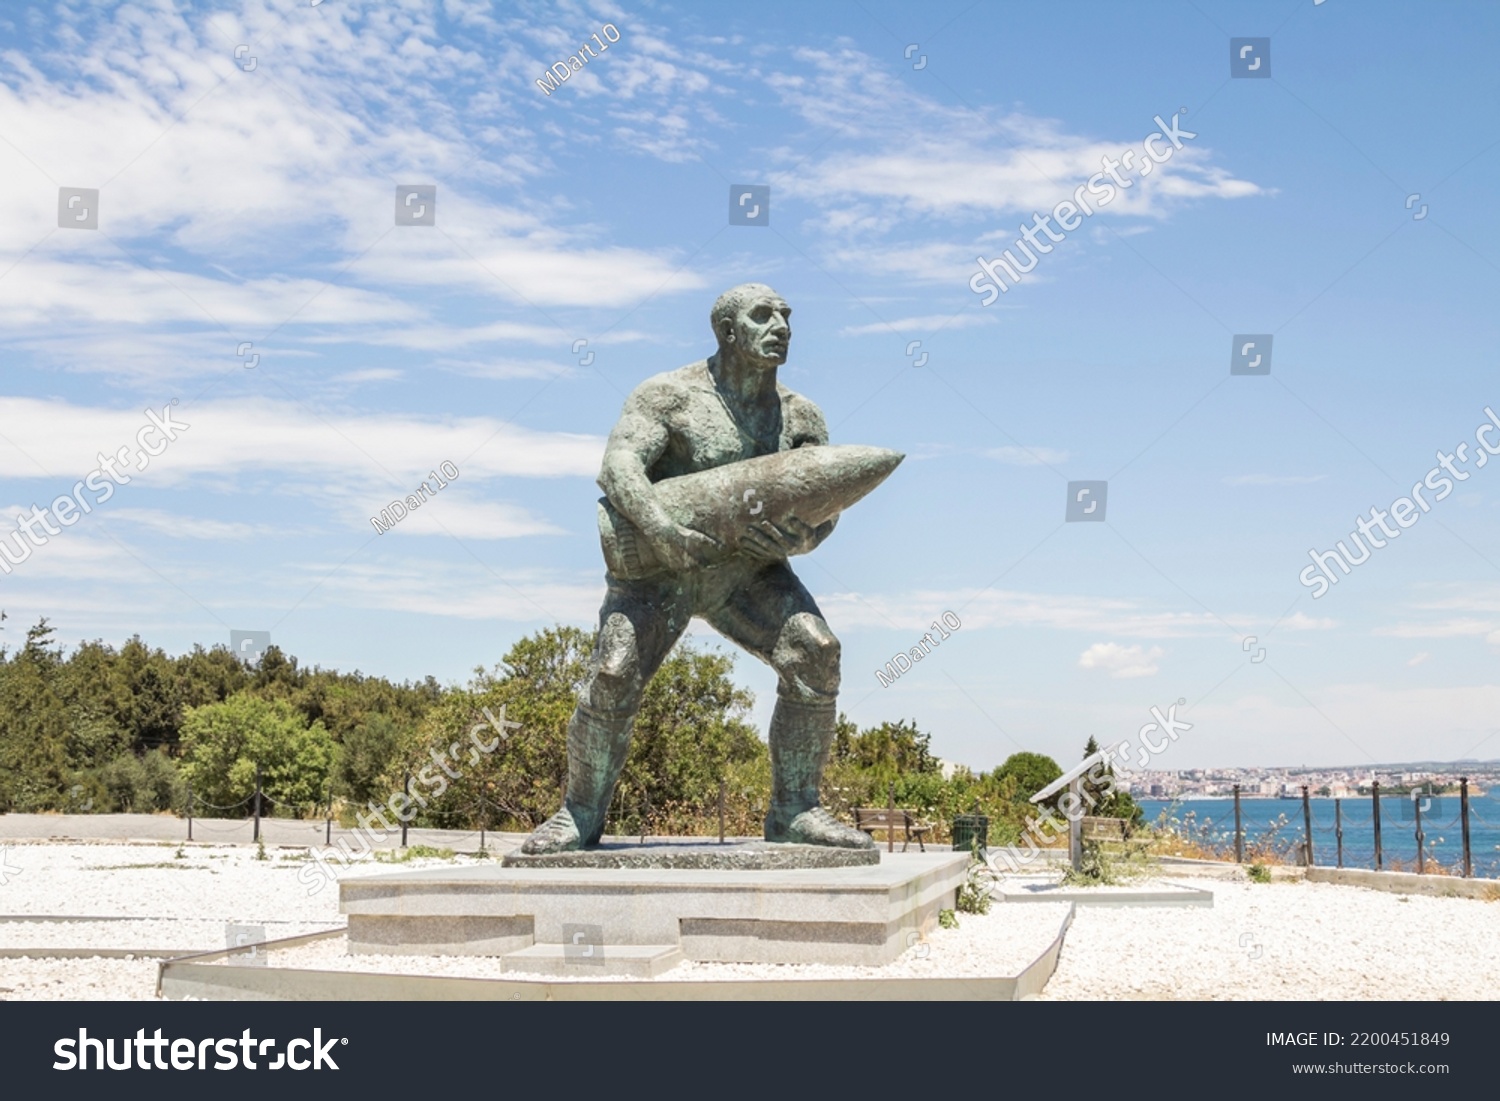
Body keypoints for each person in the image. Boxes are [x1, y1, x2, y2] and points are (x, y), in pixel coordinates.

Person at [520, 283, 875, 853]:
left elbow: (822, 512)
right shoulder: (668, 396)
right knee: (612, 676)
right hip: (659, 570)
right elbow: (619, 467)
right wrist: (663, 532)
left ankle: (795, 810)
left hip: (747, 572)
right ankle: (577, 815)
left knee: (816, 652)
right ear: (727, 332)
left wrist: (802, 537)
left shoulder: (801, 417)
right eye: (762, 317)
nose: (780, 326)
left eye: (786, 316)